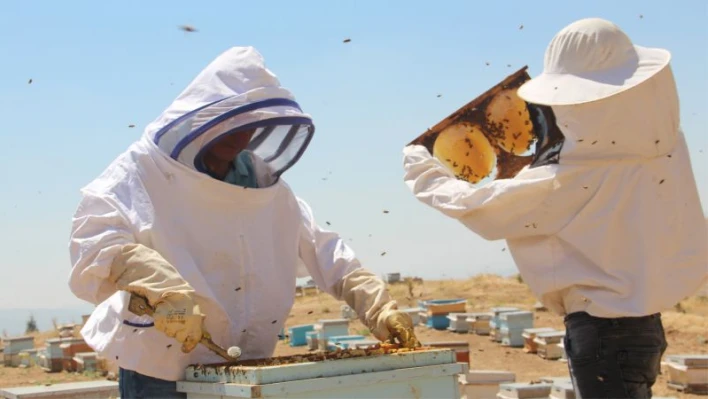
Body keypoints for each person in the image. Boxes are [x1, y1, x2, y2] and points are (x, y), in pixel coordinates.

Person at [69, 46, 419, 399]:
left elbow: (324, 250)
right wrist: (154, 281)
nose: (241, 135)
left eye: (252, 125)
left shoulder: (263, 184)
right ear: (203, 116)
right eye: (231, 122)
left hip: (245, 363)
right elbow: (95, 240)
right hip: (160, 368)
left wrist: (378, 307)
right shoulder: (145, 170)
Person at [402, 18, 706, 399]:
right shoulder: (666, 147)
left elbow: (477, 206)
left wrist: (421, 168)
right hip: (646, 326)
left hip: (602, 333)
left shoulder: (569, 178)